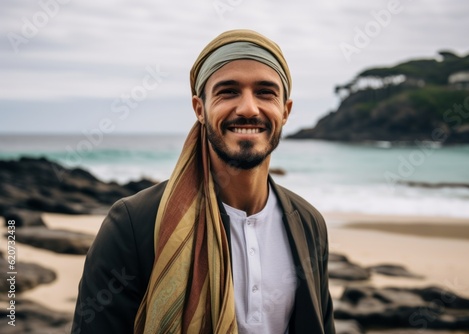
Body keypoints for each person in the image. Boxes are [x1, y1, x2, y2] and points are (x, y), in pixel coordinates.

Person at [72, 29, 335, 334]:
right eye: (228, 91)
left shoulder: (308, 223)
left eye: (266, 92)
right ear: (200, 109)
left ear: (285, 111)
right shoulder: (134, 223)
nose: (249, 108)